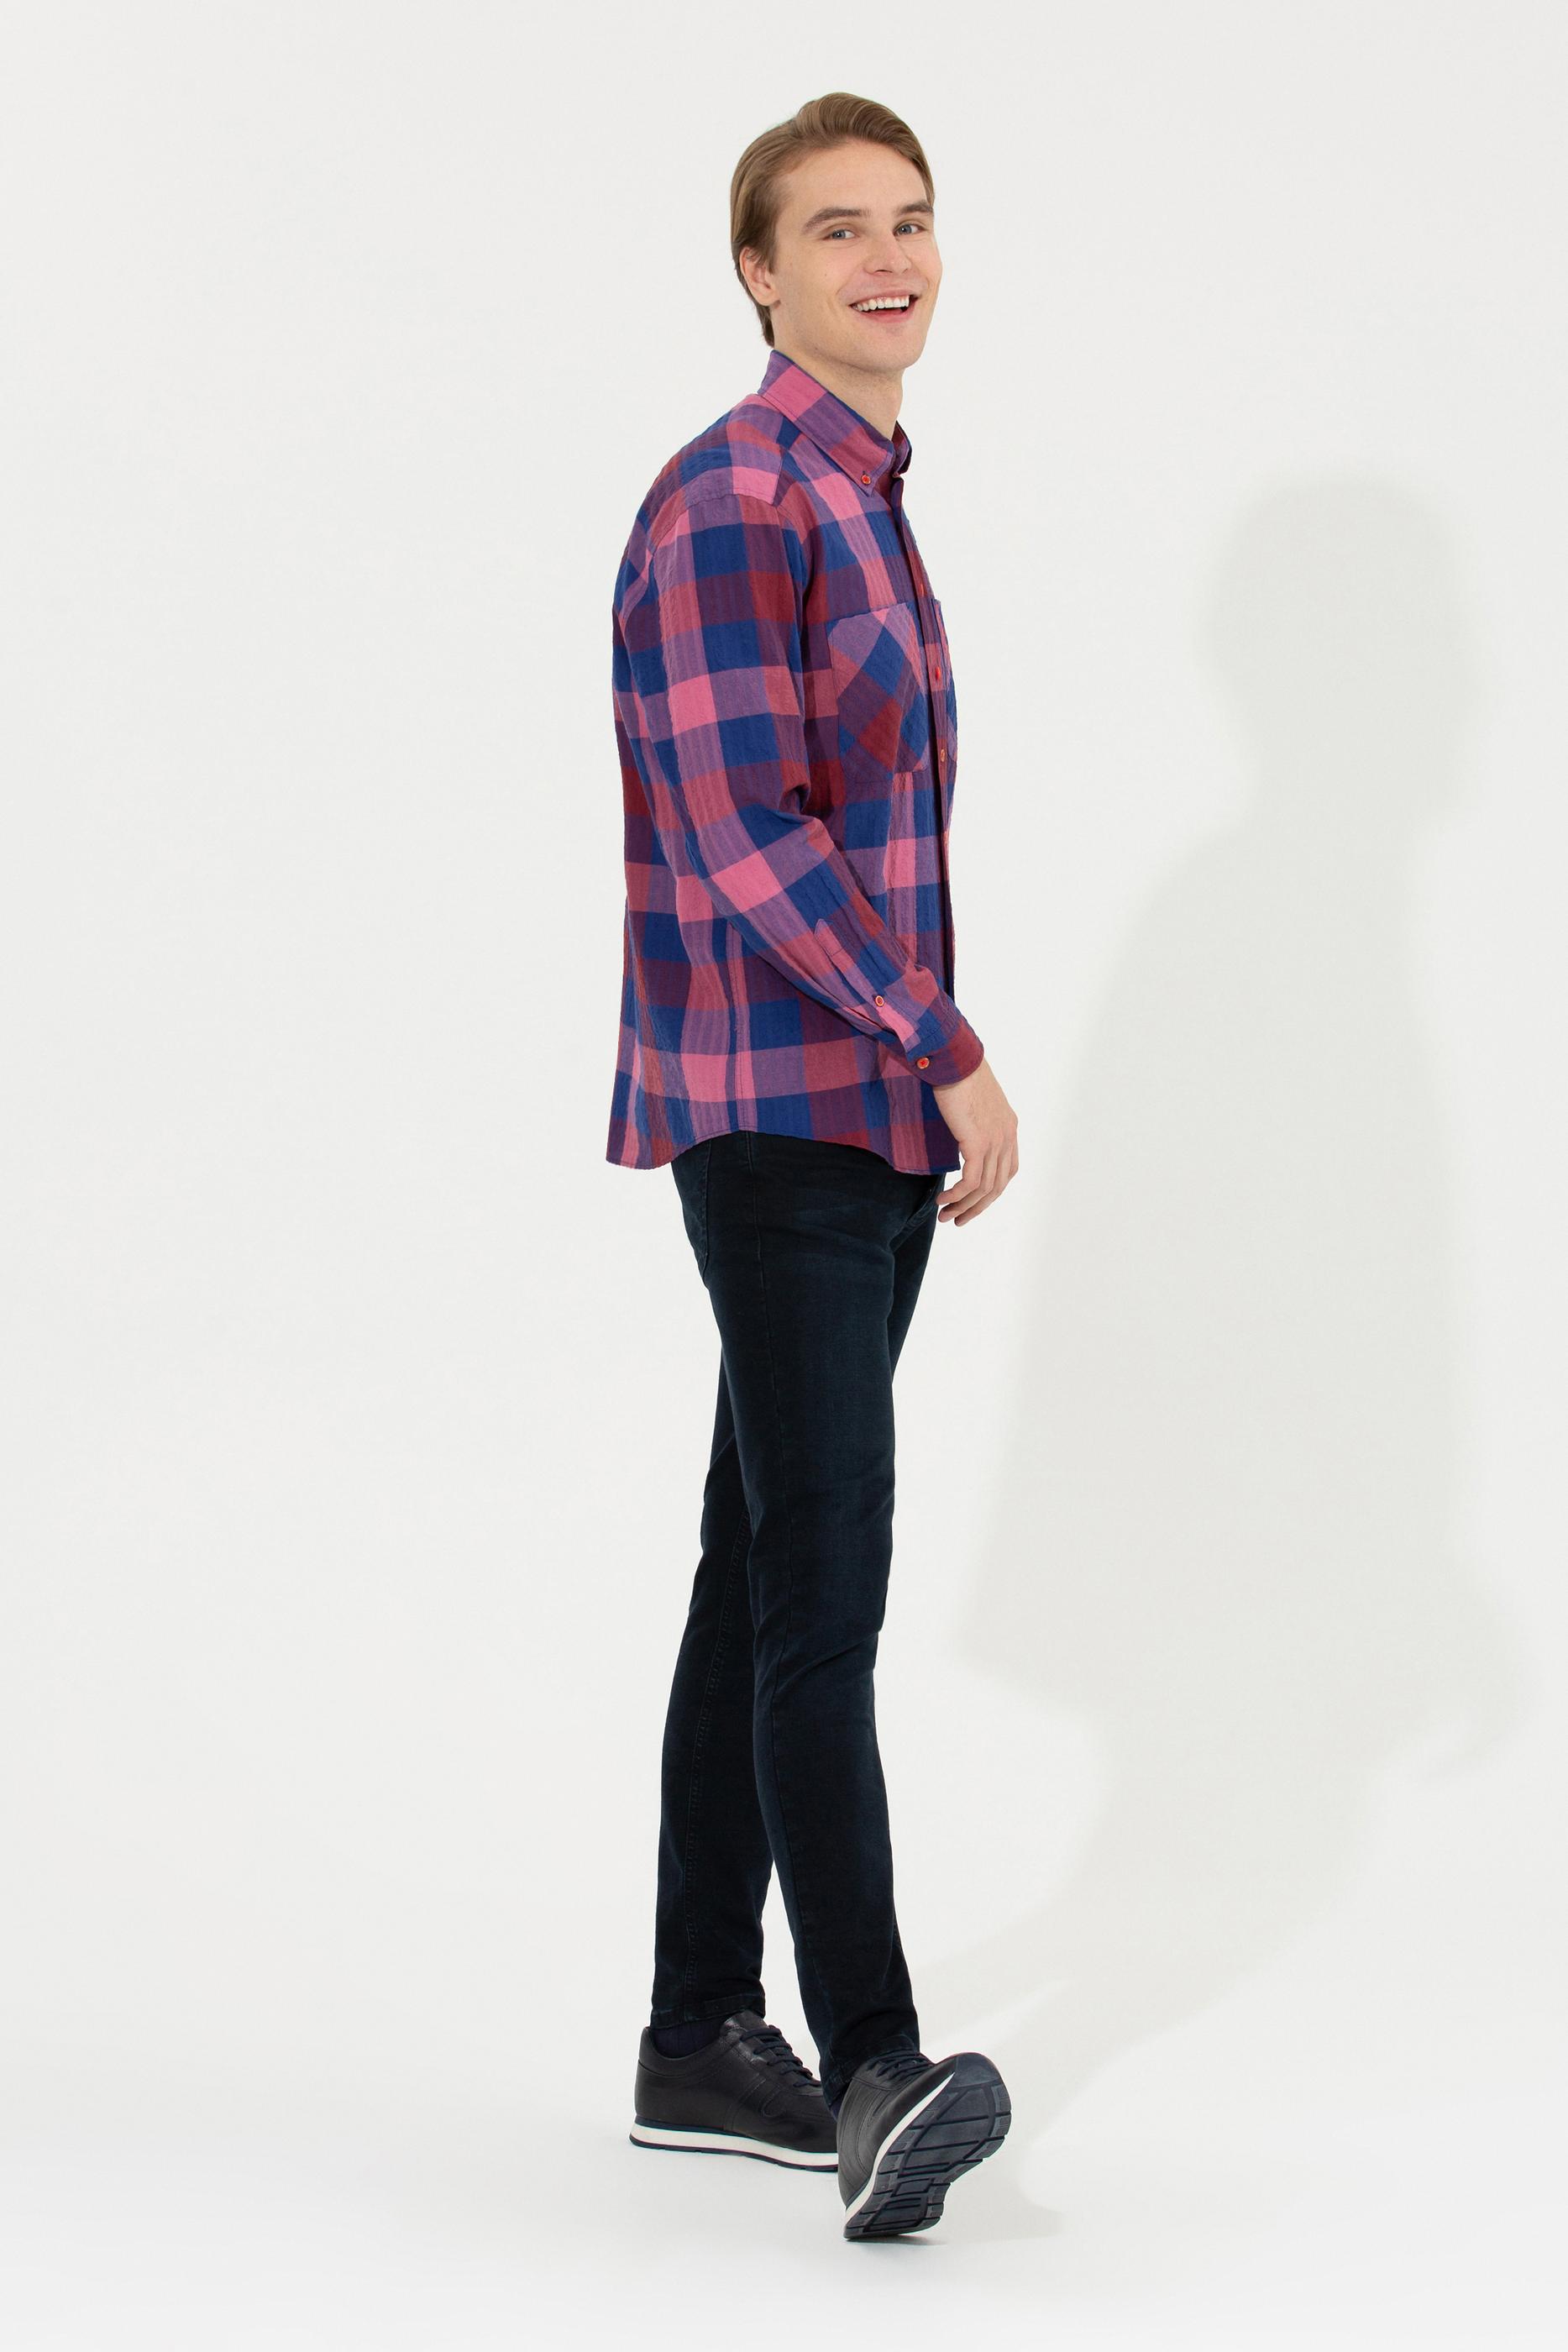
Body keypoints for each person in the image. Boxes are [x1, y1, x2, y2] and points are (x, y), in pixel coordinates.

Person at [606, 91, 1020, 2240]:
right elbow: (747, 837)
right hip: (782, 1109)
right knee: (821, 1588)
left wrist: (918, 1070)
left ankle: (696, 2032)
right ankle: (873, 2062)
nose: (887, 256)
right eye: (837, 227)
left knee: (757, 1563)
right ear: (756, 272)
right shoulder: (734, 497)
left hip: (854, 1117)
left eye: (911, 220)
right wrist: (945, 1047)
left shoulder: (862, 497)